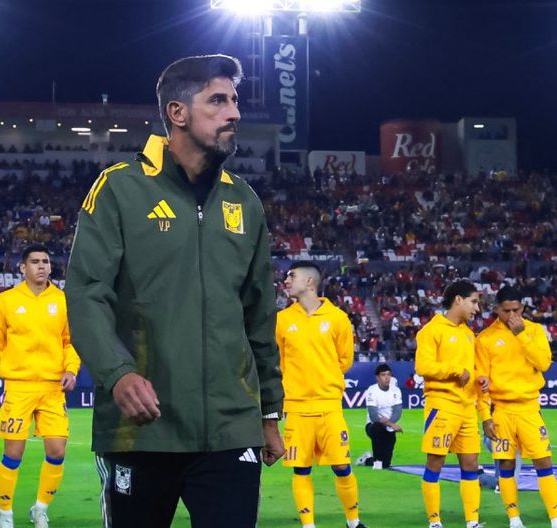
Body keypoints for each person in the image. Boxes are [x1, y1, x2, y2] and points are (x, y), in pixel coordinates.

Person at [65, 54, 284, 528]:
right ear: (177, 113)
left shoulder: (244, 200)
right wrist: (118, 373)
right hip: (141, 429)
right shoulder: (119, 189)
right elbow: (86, 293)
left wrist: (269, 411)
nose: (234, 113)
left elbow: (259, 315)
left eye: (235, 101)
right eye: (218, 101)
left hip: (231, 430)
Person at [0, 243, 80, 528]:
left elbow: (70, 341)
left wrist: (71, 369)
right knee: (13, 453)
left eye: (45, 262)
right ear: (22, 267)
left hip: (53, 388)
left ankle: (40, 509)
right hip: (18, 387)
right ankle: (5, 513)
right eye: (35, 261)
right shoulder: (5, 301)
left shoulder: (62, 300)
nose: (41, 266)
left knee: (57, 451)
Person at [276, 261, 367, 528]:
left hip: (329, 407)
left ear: (309, 282)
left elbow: (345, 360)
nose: (286, 281)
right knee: (301, 468)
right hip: (296, 408)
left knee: (342, 466)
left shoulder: (338, 318)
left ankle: (353, 522)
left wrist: (323, 378)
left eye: (291, 276)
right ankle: (308, 525)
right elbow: (278, 360)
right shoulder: (282, 320)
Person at [475, 285, 557, 528]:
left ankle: (554, 517)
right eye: (506, 310)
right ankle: (514, 518)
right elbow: (481, 381)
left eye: (516, 310)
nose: (511, 315)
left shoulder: (535, 330)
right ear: (496, 309)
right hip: (502, 410)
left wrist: (521, 335)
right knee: (506, 465)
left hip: (529, 408)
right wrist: (485, 417)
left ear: (522, 307)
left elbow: (543, 363)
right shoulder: (485, 338)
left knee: (543, 462)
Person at [415, 280, 488, 528]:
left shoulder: (468, 334)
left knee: (471, 464)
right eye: (474, 302)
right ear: (458, 300)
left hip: (467, 407)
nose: (477, 308)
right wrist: (455, 370)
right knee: (435, 462)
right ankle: (434, 521)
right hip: (442, 405)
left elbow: (471, 368)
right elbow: (423, 366)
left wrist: (479, 377)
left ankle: (472, 521)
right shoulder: (431, 331)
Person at [359, 363, 403, 469]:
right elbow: (373, 416)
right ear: (377, 377)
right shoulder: (372, 390)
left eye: (389, 374)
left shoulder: (396, 390)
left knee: (386, 464)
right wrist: (391, 424)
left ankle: (367, 459)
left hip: (389, 426)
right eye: (383, 375)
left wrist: (389, 425)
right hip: (373, 425)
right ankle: (377, 463)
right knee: (378, 428)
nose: (387, 377)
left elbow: (397, 411)